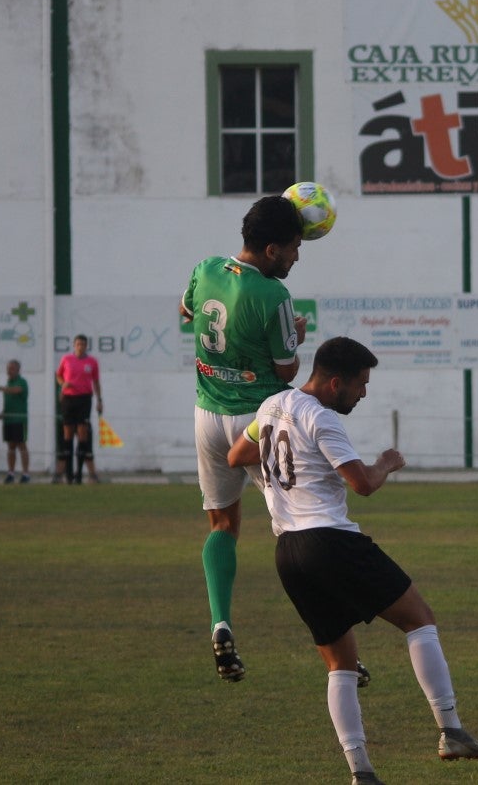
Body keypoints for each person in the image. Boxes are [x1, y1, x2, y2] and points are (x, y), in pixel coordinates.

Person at [228, 337, 478, 785]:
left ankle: (361, 772)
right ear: (336, 383)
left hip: (288, 552)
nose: (364, 393)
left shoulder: (271, 406)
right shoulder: (322, 417)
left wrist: (279, 462)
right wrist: (386, 462)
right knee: (419, 619)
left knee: (341, 663)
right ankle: (451, 731)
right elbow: (363, 483)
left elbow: (236, 455)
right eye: (361, 384)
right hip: (331, 541)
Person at [179, 194, 309, 682]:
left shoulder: (206, 267)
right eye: (294, 248)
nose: (296, 258)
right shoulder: (274, 296)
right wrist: (296, 335)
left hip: (208, 415)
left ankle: (220, 620)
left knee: (222, 525)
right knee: (299, 529)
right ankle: (333, 635)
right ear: (272, 249)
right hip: (258, 420)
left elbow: (187, 311)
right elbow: (286, 369)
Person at [55, 335, 102, 485]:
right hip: (69, 399)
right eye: (78, 344)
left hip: (84, 399)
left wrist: (99, 400)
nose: (80, 346)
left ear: (86, 346)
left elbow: (96, 382)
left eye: (83, 344)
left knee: (82, 435)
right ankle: (68, 474)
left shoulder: (92, 362)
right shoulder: (66, 359)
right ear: (74, 345)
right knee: (68, 435)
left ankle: (79, 474)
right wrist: (63, 384)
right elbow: (58, 375)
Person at [0, 360, 31, 484]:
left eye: (12, 368)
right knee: (11, 446)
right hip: (8, 420)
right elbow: (10, 401)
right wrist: (3, 412)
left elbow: (16, 390)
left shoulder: (22, 382)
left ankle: (26, 473)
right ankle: (11, 473)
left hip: (19, 419)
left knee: (22, 445)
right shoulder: (8, 383)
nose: (9, 371)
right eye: (8, 368)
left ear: (18, 370)